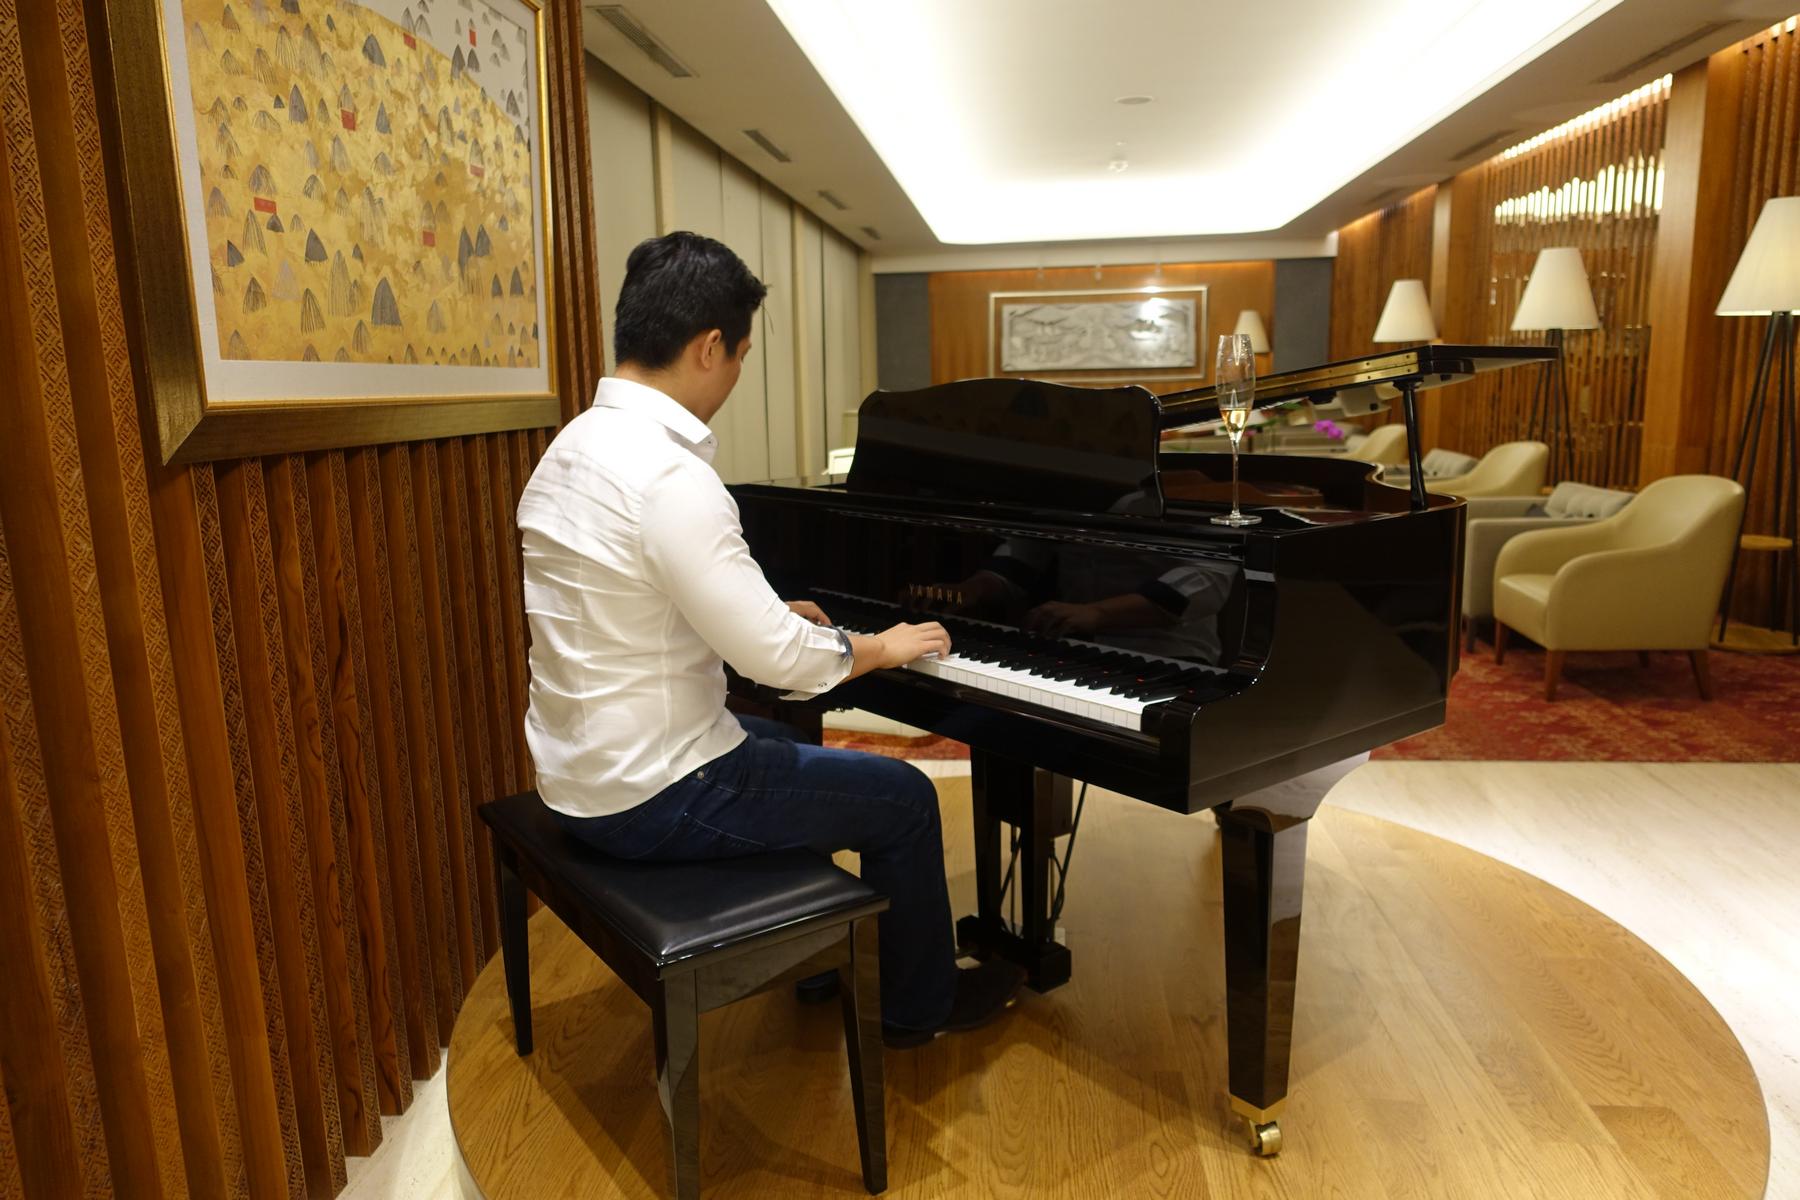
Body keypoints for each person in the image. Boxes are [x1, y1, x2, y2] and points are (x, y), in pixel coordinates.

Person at [516, 231, 1025, 1046]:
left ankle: (820, 955)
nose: (738, 374)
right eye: (742, 355)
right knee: (903, 798)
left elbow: (625, 604)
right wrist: (881, 647)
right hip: (650, 796)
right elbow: (778, 660)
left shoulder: (570, 451)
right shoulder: (672, 477)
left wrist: (756, 606)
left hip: (576, 772)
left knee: (781, 742)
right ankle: (917, 1009)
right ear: (710, 346)